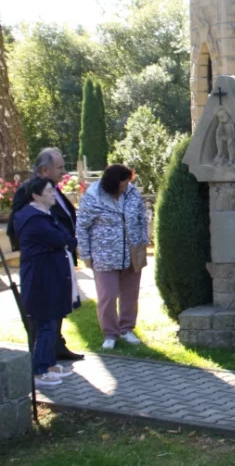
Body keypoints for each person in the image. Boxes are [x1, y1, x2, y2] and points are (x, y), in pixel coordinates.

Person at [6, 147, 84, 361]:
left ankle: (56, 348)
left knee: (57, 306)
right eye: (59, 167)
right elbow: (17, 222)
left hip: (60, 255)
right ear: (43, 170)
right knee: (43, 312)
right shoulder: (29, 190)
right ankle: (39, 359)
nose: (63, 171)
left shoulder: (54, 188)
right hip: (42, 258)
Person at [14, 177, 78, 388]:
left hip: (51, 275)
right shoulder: (33, 219)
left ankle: (49, 364)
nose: (54, 194)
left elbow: (67, 235)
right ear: (36, 195)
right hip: (41, 277)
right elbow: (61, 239)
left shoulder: (45, 214)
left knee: (52, 320)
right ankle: (39, 370)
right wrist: (65, 240)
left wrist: (65, 239)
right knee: (46, 323)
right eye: (49, 191)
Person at [76, 164, 148, 350]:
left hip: (132, 253)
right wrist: (85, 254)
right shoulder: (93, 198)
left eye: (127, 183)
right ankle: (110, 333)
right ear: (112, 184)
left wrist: (143, 242)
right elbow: (82, 227)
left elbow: (142, 219)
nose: (126, 187)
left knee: (130, 295)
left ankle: (126, 329)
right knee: (108, 296)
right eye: (122, 184)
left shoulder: (132, 193)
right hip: (104, 256)